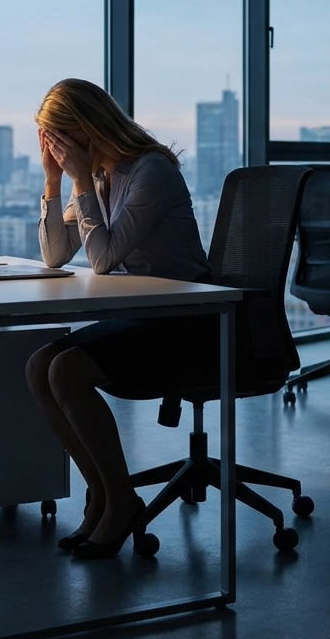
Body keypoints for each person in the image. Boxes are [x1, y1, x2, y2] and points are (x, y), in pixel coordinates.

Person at [24, 78, 214, 559]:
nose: (60, 152)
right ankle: (106, 495)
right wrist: (53, 182)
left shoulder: (151, 172)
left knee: (67, 369)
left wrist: (82, 181)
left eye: (62, 141)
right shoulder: (99, 176)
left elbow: (104, 259)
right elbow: (54, 256)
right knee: (38, 366)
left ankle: (119, 502)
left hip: (188, 322)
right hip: (142, 318)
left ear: (87, 130)